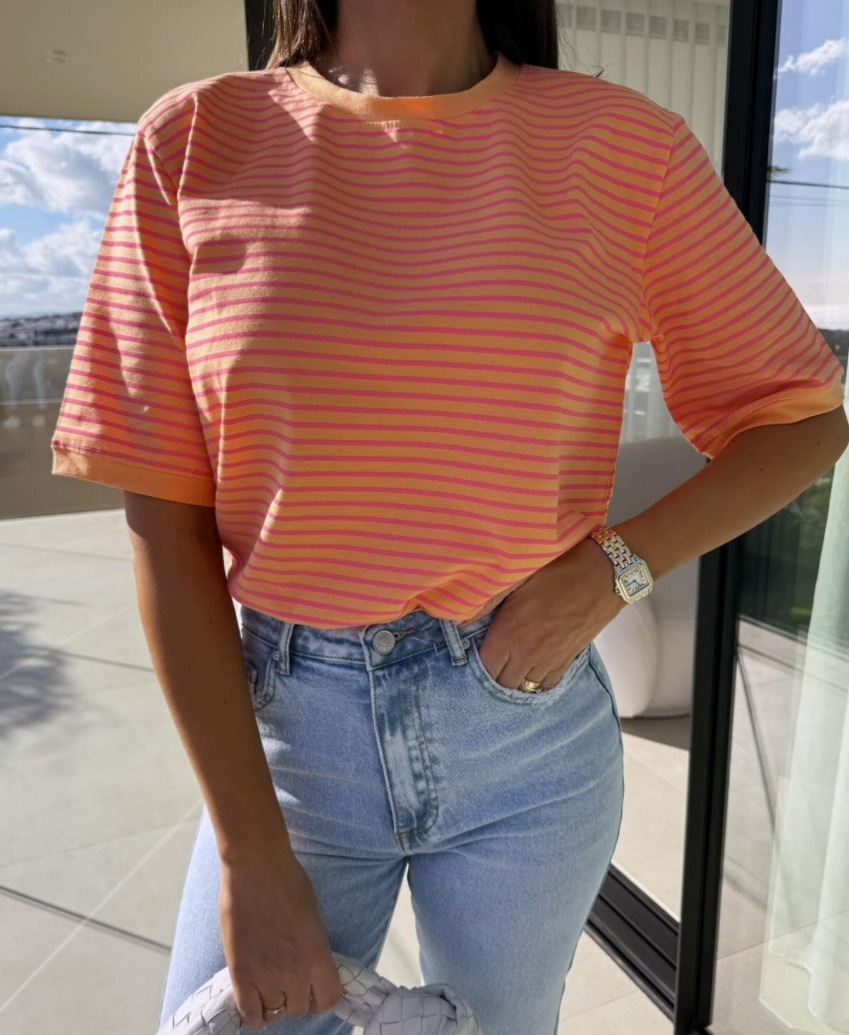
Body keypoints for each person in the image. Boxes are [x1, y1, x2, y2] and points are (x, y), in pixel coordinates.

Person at [50, 1, 849, 1033]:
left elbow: (800, 420)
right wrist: (249, 853)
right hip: (293, 743)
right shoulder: (195, 139)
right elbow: (166, 526)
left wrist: (614, 571)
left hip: (526, 736)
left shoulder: (623, 146)